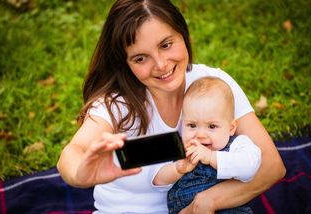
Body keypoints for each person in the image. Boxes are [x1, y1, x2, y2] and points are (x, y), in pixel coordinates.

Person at [57, 0, 286, 213]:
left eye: (166, 45)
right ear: (125, 63)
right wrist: (80, 174)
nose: (161, 64)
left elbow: (271, 165)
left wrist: (209, 201)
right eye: (140, 58)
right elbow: (73, 153)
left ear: (183, 35)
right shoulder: (116, 106)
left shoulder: (214, 85)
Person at [153, 77, 262, 213]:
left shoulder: (238, 145)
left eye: (212, 126)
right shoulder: (182, 148)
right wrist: (177, 169)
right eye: (192, 125)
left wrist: (212, 157)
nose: (201, 135)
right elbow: (158, 180)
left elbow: (249, 168)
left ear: (231, 128)